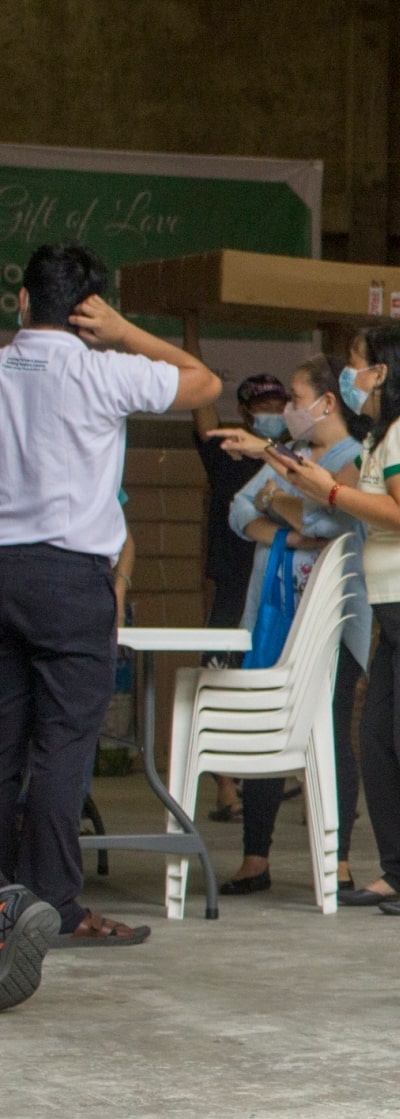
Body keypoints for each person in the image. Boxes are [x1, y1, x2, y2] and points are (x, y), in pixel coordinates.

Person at [0, 241, 219, 959]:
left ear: (23, 301)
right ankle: (54, 907)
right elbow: (204, 381)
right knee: (63, 746)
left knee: (3, 743)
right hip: (71, 580)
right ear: (89, 311)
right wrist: (125, 332)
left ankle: (4, 901)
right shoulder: (107, 371)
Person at [269, 326, 400, 916]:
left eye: (355, 364)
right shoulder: (385, 436)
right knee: (377, 738)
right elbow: (352, 494)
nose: (348, 373)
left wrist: (329, 494)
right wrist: (289, 470)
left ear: (381, 372)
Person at [209, 357, 372, 895]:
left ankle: (339, 860)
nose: (285, 410)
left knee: (329, 731)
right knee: (266, 727)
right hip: (273, 611)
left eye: (295, 398)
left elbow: (341, 520)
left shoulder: (355, 459)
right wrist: (292, 534)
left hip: (331, 619)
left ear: (326, 403)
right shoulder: (292, 455)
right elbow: (238, 509)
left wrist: (280, 503)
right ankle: (256, 857)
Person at [193, 375, 283, 822]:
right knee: (218, 676)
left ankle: (291, 779)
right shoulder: (227, 455)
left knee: (277, 677)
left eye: (279, 401)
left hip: (276, 584)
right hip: (233, 582)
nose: (272, 408)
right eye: (263, 402)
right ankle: (226, 789)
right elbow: (202, 411)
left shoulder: (293, 458)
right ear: (246, 411)